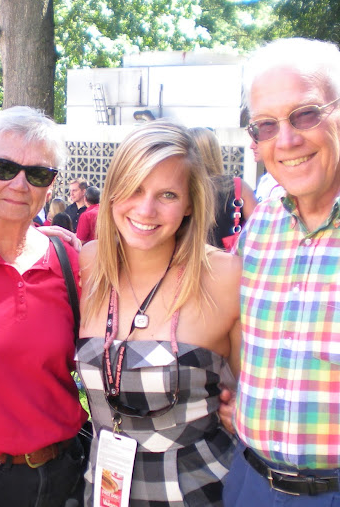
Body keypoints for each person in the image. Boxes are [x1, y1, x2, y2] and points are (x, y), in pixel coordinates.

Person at [76, 120, 242, 506]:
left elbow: (254, 396)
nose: (145, 209)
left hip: (201, 493)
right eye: (133, 188)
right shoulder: (86, 265)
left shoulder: (224, 277)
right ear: (113, 191)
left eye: (167, 194)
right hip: (103, 490)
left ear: (189, 204)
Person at [220, 37, 340, 506]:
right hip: (250, 483)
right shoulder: (260, 228)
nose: (286, 139)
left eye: (306, 114)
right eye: (265, 125)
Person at [189, 127, 257, 250]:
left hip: (185, 260)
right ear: (215, 152)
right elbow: (259, 230)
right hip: (228, 263)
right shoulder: (238, 187)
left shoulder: (180, 188)